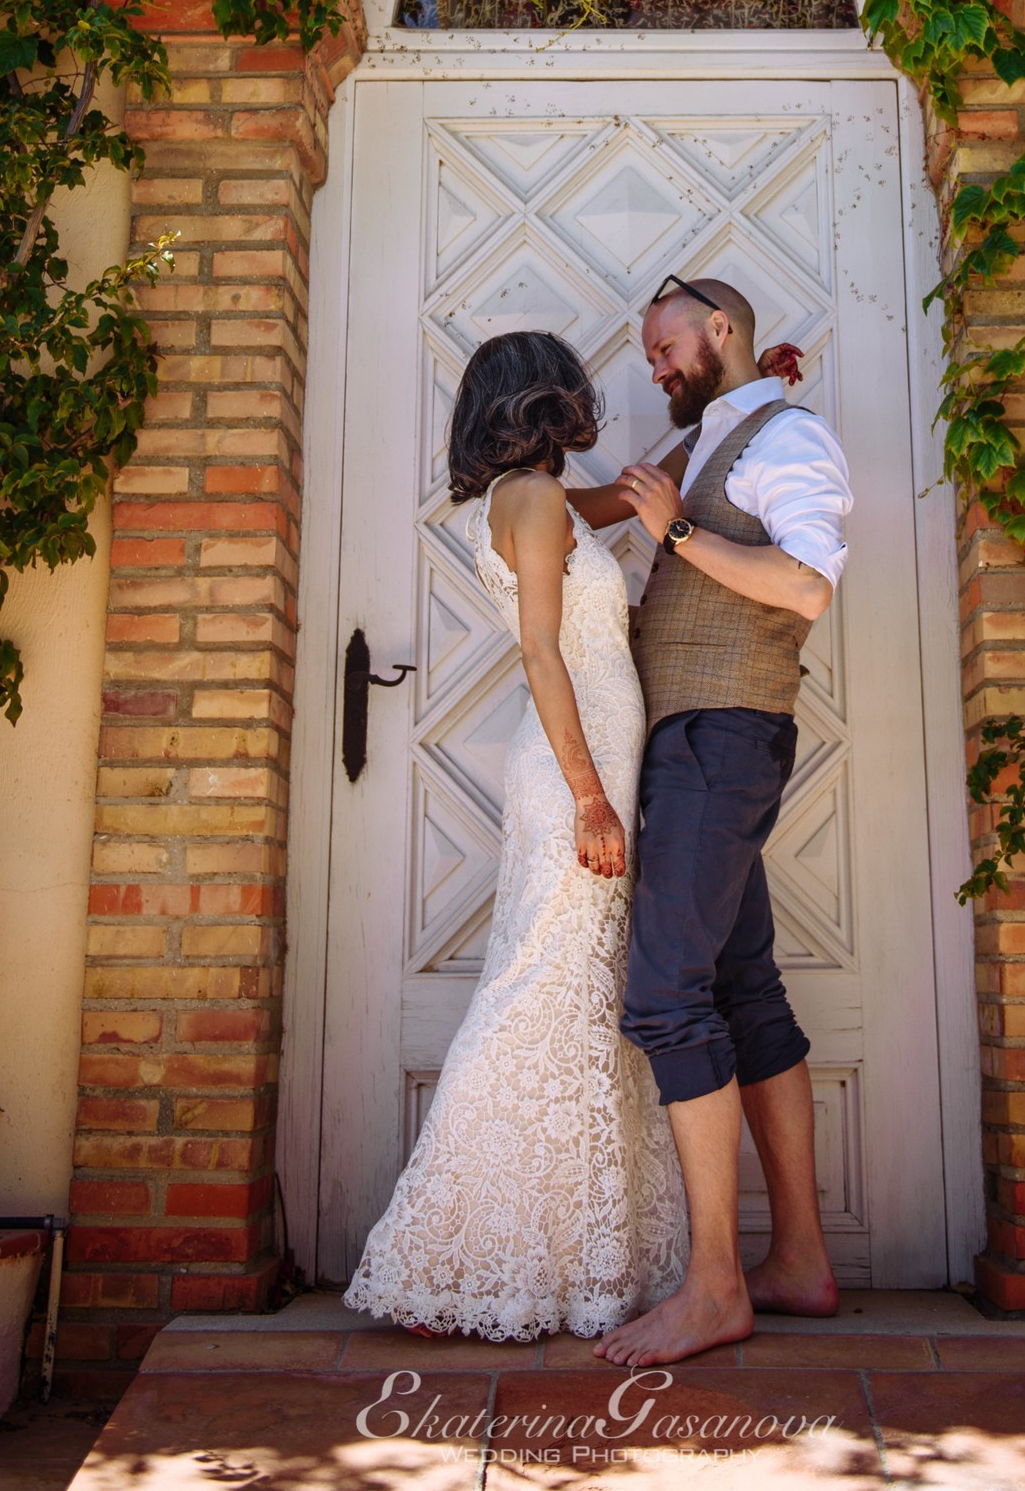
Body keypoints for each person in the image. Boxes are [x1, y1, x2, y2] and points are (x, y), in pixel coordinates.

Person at [343, 328, 686, 1341]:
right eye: (573, 384)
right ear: (543, 395)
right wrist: (589, 794)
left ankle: (571, 1259)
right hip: (574, 777)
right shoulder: (527, 499)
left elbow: (629, 497)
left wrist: (723, 413)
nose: (586, 395)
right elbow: (541, 648)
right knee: (544, 995)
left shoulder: (542, 495)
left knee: (584, 1002)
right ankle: (461, 1249)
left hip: (599, 767)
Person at [570, 275, 853, 1368]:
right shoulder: (708, 437)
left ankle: (713, 1287)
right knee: (743, 989)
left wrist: (674, 529)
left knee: (666, 997)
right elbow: (639, 530)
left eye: (665, 343)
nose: (653, 362)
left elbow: (804, 585)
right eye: (647, 350)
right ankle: (799, 1262)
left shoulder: (789, 437)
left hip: (724, 737)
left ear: (718, 331)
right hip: (693, 741)